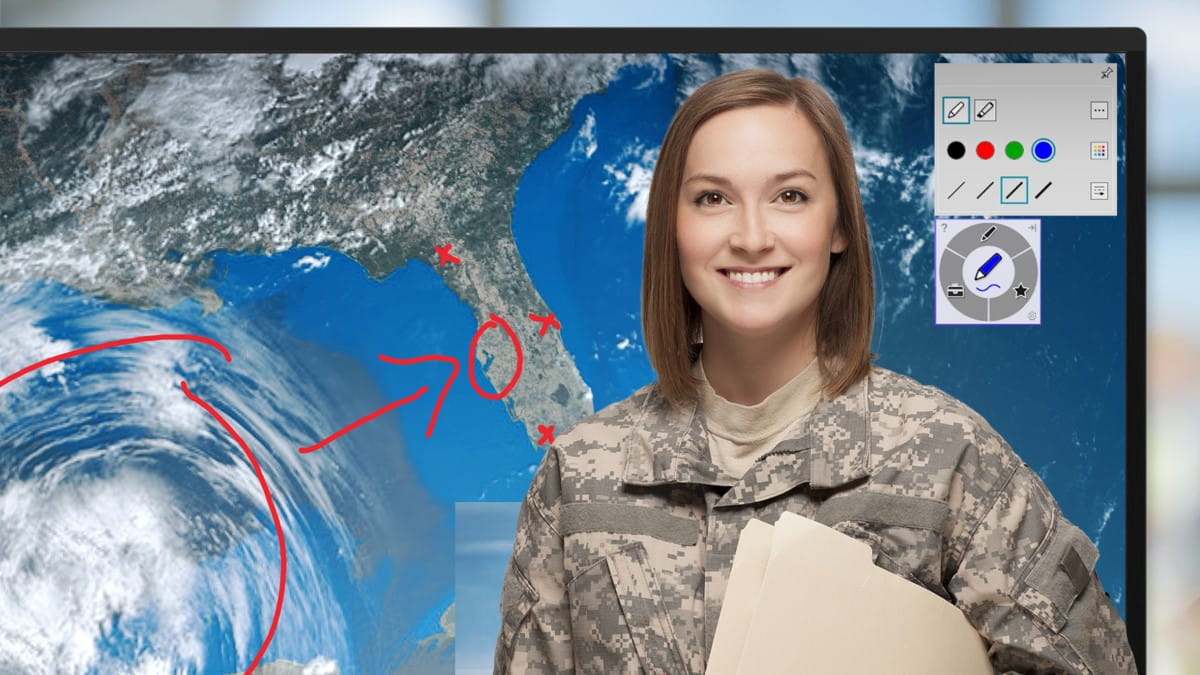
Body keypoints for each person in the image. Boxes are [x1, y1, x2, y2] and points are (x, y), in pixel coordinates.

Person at [493, 68, 1136, 674]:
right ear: (673, 227)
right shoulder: (575, 480)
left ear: (838, 228)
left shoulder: (948, 461)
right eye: (712, 197)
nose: (751, 235)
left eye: (790, 196)